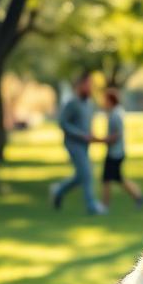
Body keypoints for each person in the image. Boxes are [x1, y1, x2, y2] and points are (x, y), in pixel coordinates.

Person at [50, 71, 106, 215]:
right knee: (87, 174)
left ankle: (58, 191)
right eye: (87, 85)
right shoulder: (72, 103)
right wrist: (80, 134)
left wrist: (91, 135)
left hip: (85, 145)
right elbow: (62, 123)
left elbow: (88, 123)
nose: (89, 88)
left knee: (80, 176)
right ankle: (92, 206)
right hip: (73, 144)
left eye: (91, 85)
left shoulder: (89, 104)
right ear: (80, 85)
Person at [101, 87, 143, 209]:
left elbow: (116, 135)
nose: (103, 103)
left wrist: (101, 140)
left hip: (115, 153)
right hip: (116, 152)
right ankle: (138, 196)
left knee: (107, 179)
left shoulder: (115, 114)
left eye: (105, 100)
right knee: (115, 179)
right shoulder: (116, 112)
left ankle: (105, 205)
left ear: (111, 100)